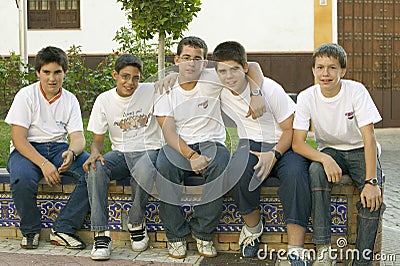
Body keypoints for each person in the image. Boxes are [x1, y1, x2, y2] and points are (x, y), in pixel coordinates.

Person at [153, 36, 265, 259]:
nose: (191, 63)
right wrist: (191, 155)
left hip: (212, 142)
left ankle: (203, 233)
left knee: (222, 165)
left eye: (197, 58)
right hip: (178, 145)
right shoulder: (165, 90)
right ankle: (175, 236)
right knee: (164, 168)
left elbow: (253, 66)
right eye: (186, 58)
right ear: (177, 59)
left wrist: (256, 93)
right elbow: (169, 132)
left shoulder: (212, 77)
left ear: (205, 63)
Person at [213, 41, 312, 264]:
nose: (229, 76)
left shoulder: (269, 89)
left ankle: (296, 247)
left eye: (234, 69)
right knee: (236, 170)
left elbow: (291, 129)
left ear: (244, 68)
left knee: (296, 175)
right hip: (251, 144)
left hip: (284, 144)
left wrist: (274, 154)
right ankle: (253, 229)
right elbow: (189, 75)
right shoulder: (219, 87)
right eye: (223, 71)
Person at [292, 43, 385, 266]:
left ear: (343, 71)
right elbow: (297, 143)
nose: (326, 74)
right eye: (320, 67)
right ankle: (324, 251)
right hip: (331, 150)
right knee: (315, 170)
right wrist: (324, 158)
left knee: (372, 198)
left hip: (360, 149)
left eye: (332, 68)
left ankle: (362, 261)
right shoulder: (306, 97)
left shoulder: (356, 91)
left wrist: (371, 181)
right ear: (313, 70)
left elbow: (369, 138)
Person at [5, 46, 89, 250]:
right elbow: (18, 139)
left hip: (59, 148)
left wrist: (72, 152)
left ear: (64, 73)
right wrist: (44, 164)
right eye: (47, 72)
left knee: (94, 171)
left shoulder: (70, 99)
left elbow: (78, 138)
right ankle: (30, 230)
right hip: (27, 150)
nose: (52, 78)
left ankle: (63, 228)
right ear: (38, 73)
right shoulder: (26, 96)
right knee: (21, 178)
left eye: (57, 72)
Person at [83, 54, 163, 261]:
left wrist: (169, 78)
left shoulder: (151, 90)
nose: (130, 83)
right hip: (120, 153)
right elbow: (98, 140)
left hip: (149, 149)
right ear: (115, 75)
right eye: (125, 77)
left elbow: (175, 81)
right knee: (95, 168)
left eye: (135, 78)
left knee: (145, 169)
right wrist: (95, 153)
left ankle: (136, 222)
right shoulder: (104, 100)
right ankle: (101, 234)